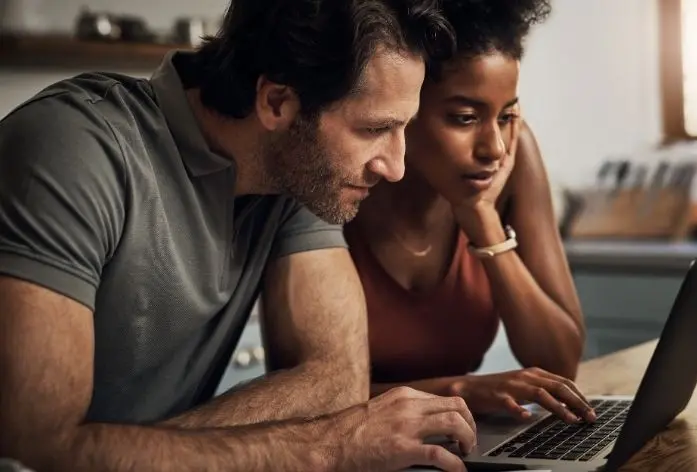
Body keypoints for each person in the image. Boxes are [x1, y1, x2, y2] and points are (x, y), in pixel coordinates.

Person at [0, 1, 479, 471]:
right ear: (276, 102)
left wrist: (131, 453)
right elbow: (36, 452)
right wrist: (326, 447)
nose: (395, 167)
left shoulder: (301, 174)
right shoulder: (72, 151)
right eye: (375, 128)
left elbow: (336, 381)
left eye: (402, 129)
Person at [345, 0, 597, 424]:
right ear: (402, 107)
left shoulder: (511, 159)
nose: (495, 148)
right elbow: (306, 397)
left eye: (507, 115)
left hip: (460, 443)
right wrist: (459, 391)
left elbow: (560, 361)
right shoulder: (341, 178)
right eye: (464, 118)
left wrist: (483, 221)